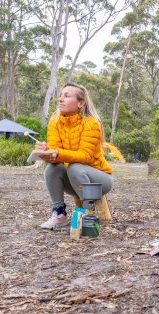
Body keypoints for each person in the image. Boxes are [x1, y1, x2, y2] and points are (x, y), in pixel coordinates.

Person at [35, 83, 113, 229]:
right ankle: (59, 213)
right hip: (73, 180)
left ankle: (87, 213)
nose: (60, 99)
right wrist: (47, 152)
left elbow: (86, 156)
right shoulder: (56, 120)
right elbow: (56, 152)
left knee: (75, 167)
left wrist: (58, 153)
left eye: (67, 96)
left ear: (80, 103)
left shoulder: (91, 123)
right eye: (60, 96)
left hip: (99, 180)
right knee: (52, 169)